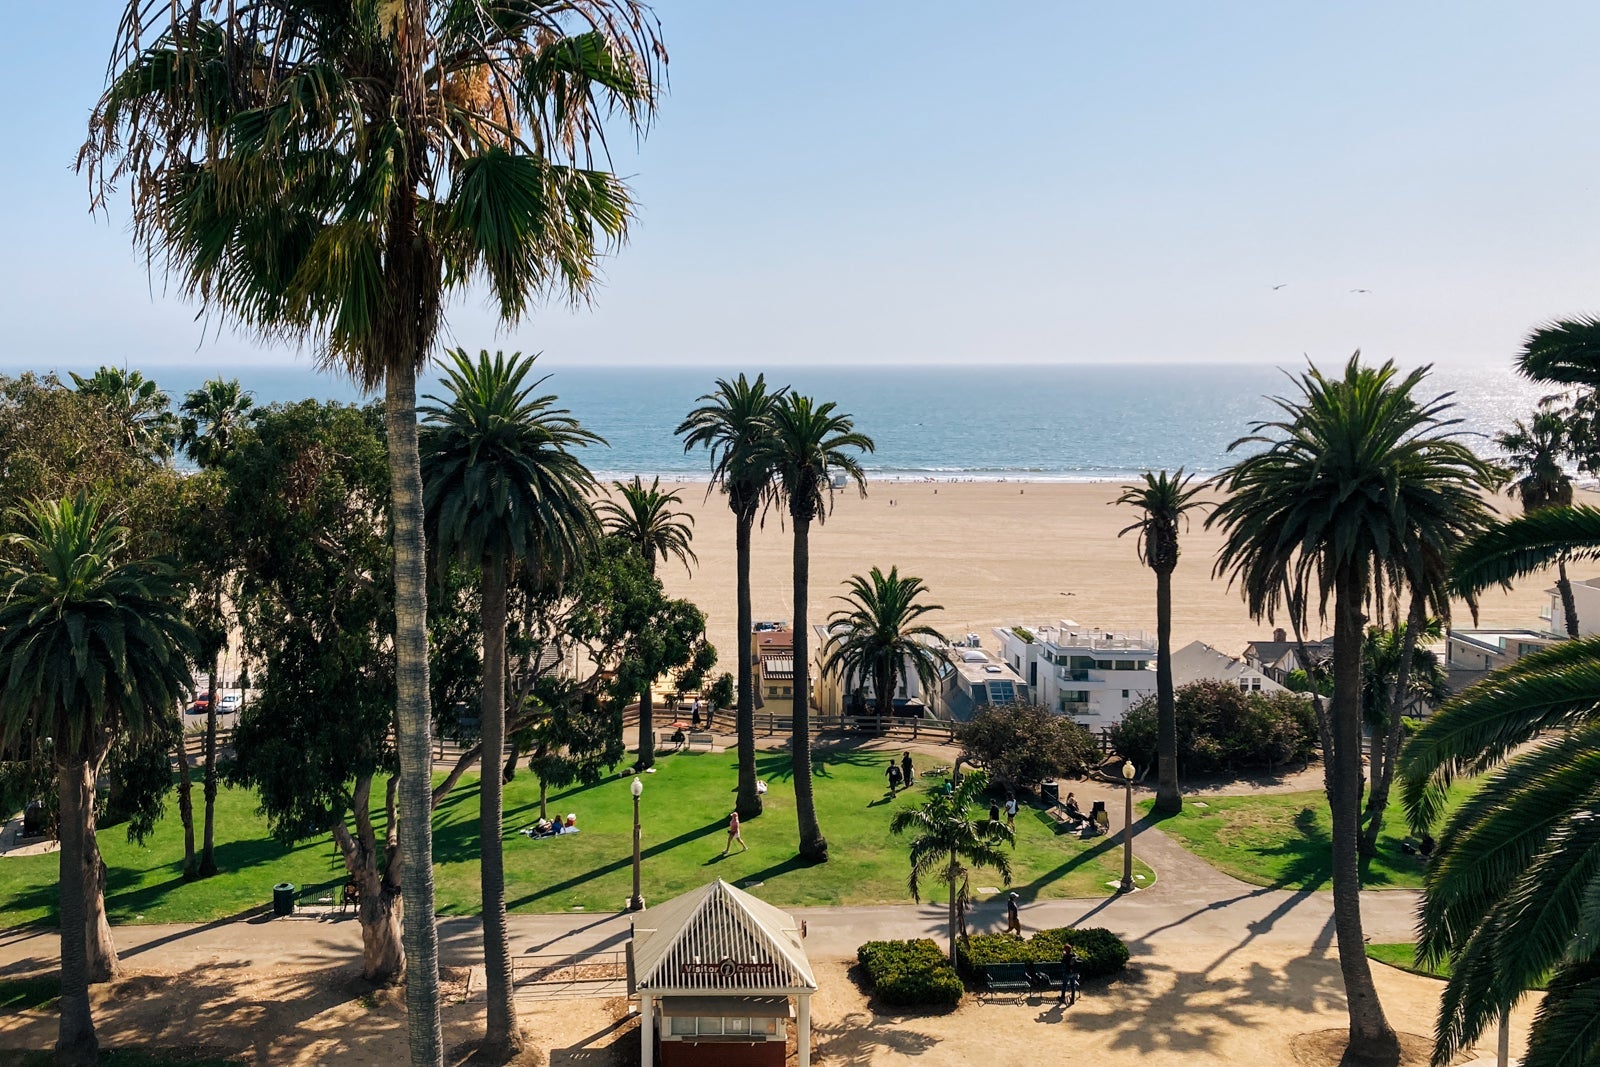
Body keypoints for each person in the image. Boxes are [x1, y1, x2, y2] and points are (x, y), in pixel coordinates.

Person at [1058, 941, 1080, 1006]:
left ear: (1065, 950)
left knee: (1064, 985)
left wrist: (1063, 955)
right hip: (1073, 973)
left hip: (1067, 972)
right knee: (1073, 986)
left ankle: (1062, 997)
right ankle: (1072, 999)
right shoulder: (1073, 955)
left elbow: (1062, 962)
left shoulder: (1065, 956)